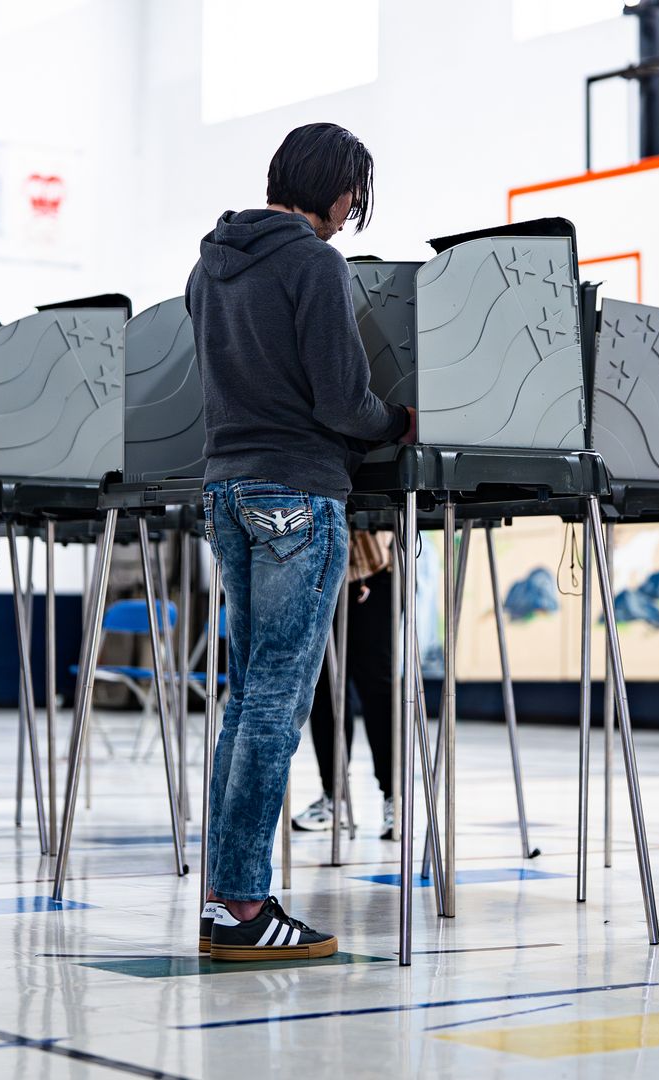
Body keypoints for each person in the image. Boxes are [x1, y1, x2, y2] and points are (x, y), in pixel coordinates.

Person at [190, 123, 415, 961]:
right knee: (278, 700)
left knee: (248, 695)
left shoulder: (208, 264)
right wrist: (397, 422)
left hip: (226, 488)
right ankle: (246, 906)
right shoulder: (315, 262)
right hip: (297, 489)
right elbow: (338, 398)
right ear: (331, 186)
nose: (354, 208)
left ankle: (224, 896)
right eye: (354, 189)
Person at [293, 530, 398, 840]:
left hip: (373, 571)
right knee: (324, 689)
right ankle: (333, 796)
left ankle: (395, 798)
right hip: (322, 576)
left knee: (378, 687)